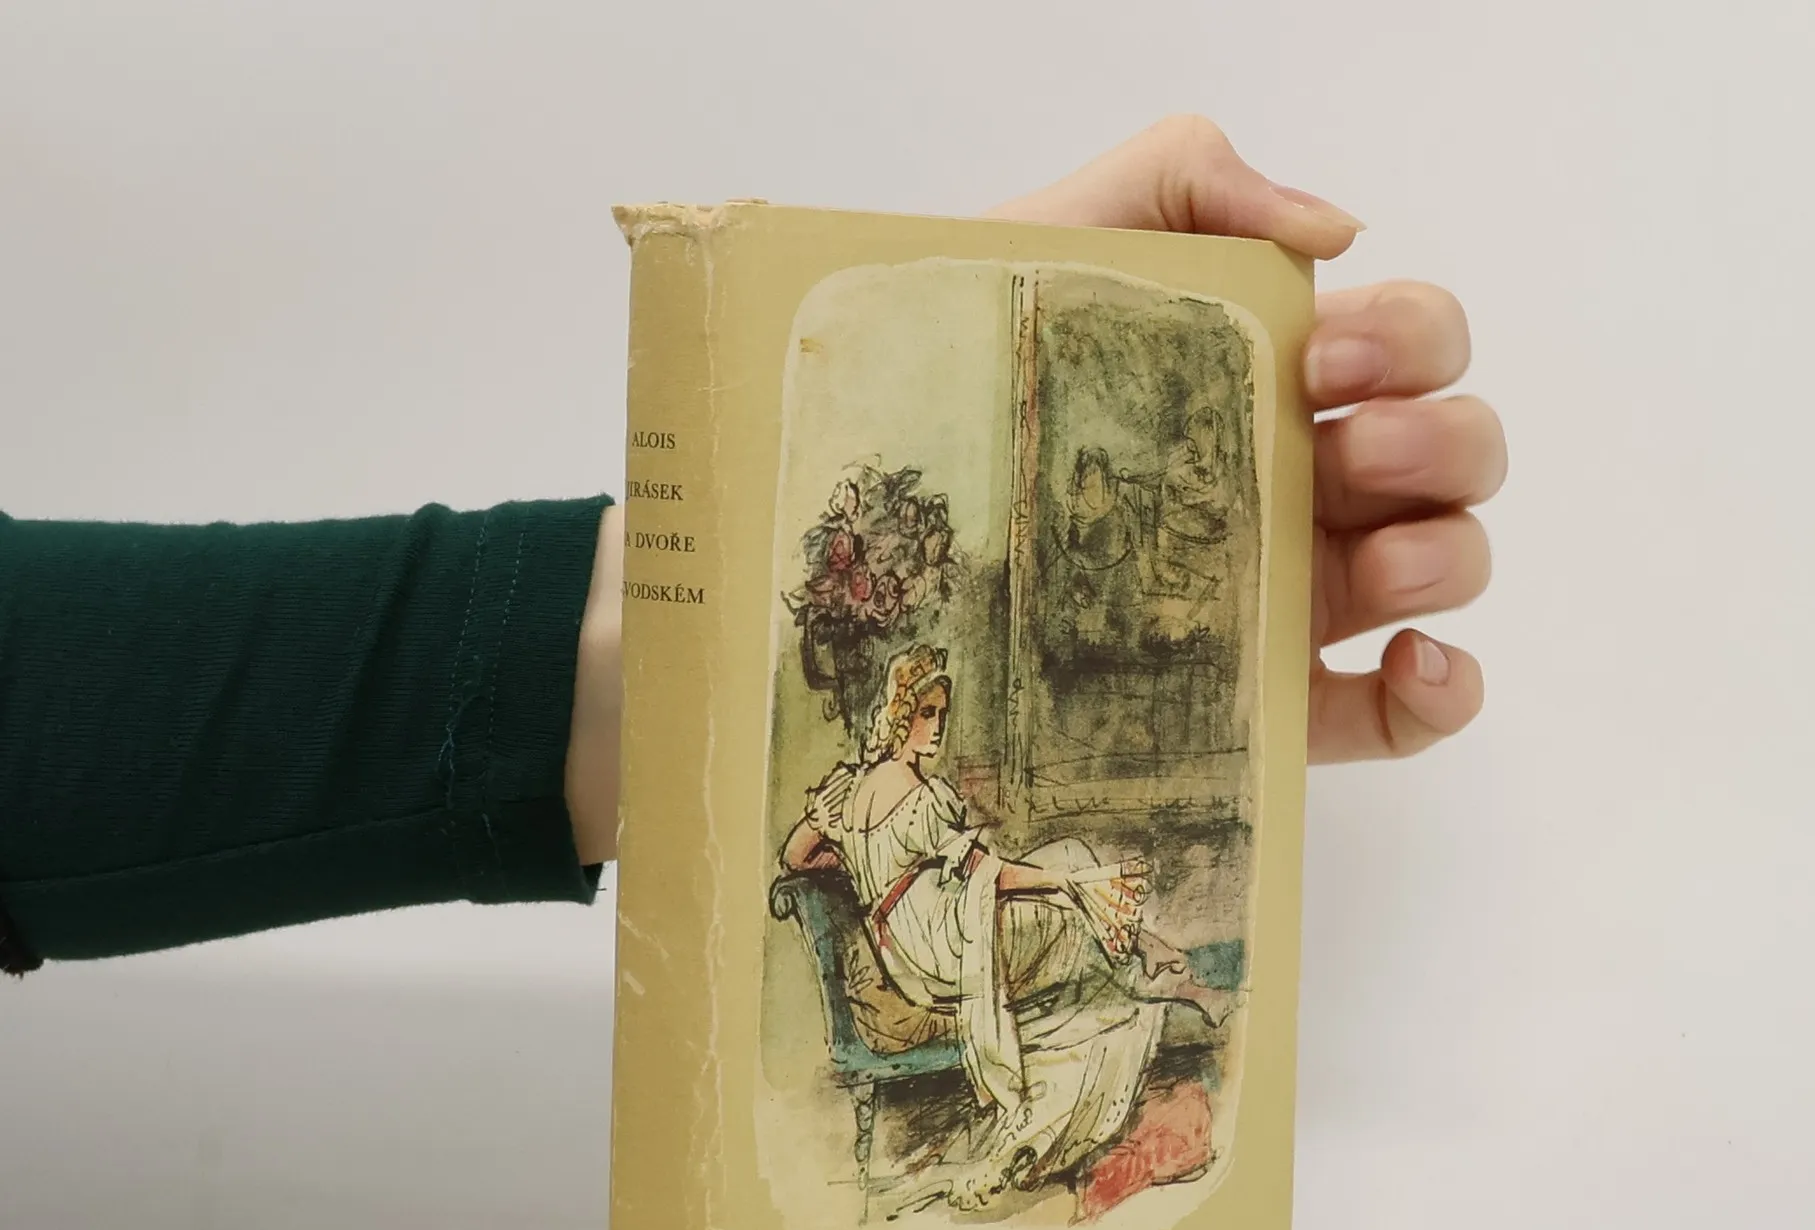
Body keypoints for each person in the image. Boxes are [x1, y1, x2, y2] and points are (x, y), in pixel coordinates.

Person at [0, 118, 1505, 978]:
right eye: (924, 706)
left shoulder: (911, 770)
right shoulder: (883, 789)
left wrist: (855, 422)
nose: (930, 718)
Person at [781, 644, 1224, 1212]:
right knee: (1070, 875)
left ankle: (1156, 958)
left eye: (942, 714)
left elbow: (795, 856)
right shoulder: (917, 795)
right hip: (946, 945)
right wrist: (1063, 884)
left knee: (1071, 860)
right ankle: (1162, 967)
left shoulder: (854, 790)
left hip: (911, 943)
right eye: (926, 714)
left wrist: (856, 865)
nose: (936, 727)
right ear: (900, 716)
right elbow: (986, 872)